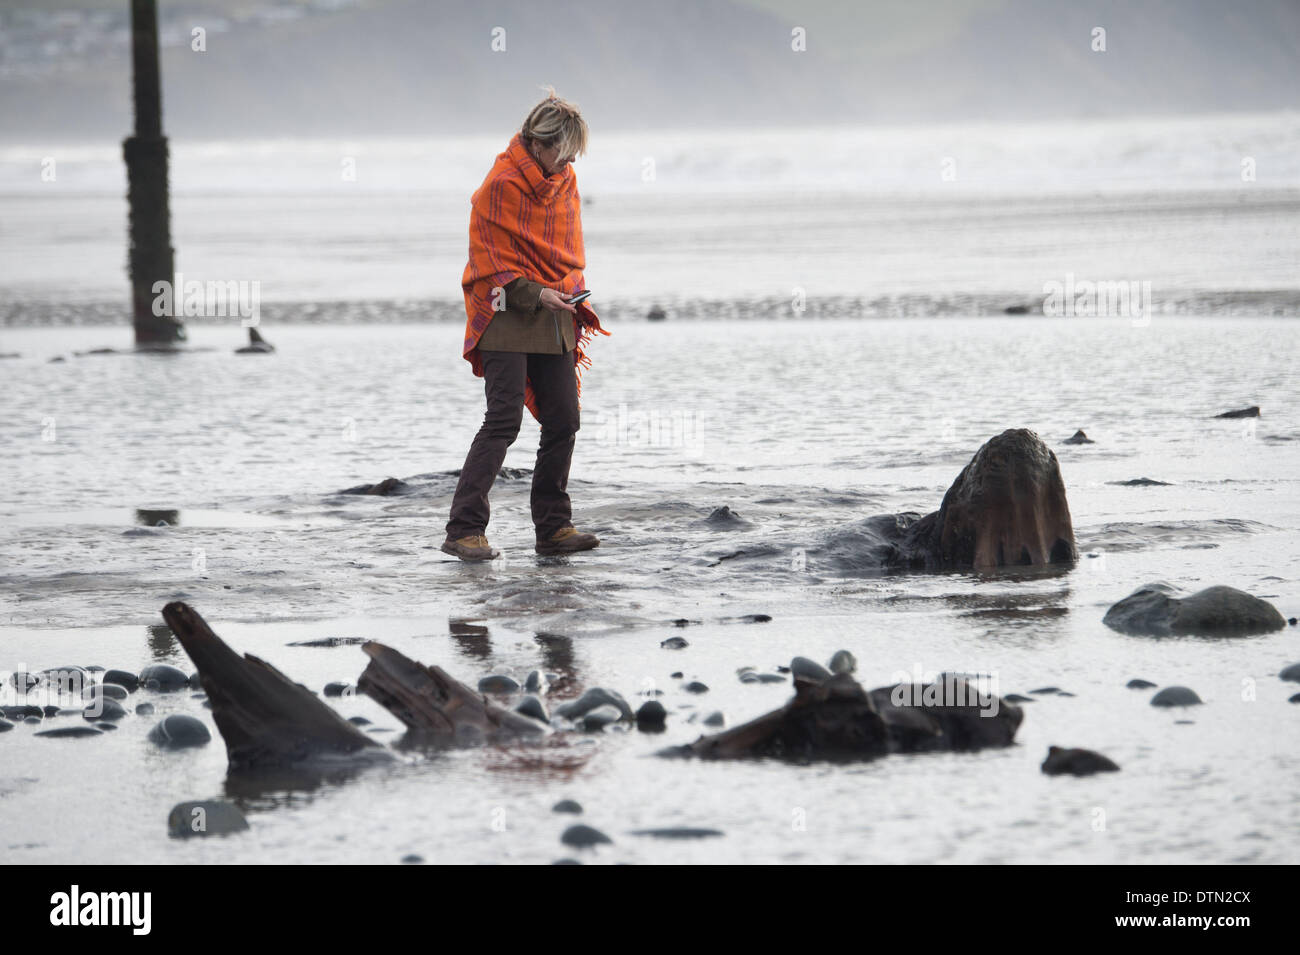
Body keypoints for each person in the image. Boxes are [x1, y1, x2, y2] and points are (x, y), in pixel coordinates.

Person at [443, 90, 611, 562]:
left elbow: (564, 249)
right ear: (539, 144)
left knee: (564, 420)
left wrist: (565, 292)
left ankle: (553, 528)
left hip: (554, 313)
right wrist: (536, 292)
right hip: (503, 315)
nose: (568, 163)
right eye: (564, 153)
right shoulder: (501, 184)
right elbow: (490, 264)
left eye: (574, 155)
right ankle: (464, 530)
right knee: (503, 421)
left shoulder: (565, 180)